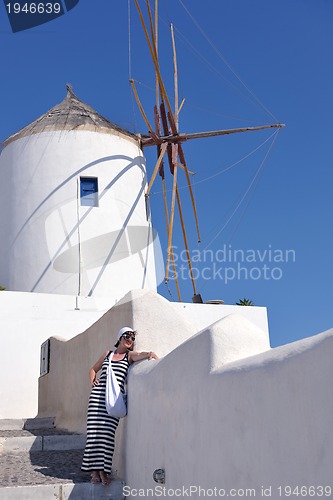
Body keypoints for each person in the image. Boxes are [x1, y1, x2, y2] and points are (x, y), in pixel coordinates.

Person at [81, 326, 158, 485]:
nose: (130, 340)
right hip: (97, 398)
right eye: (127, 336)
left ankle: (103, 471)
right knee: (94, 435)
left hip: (113, 401)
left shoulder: (129, 356)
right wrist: (93, 381)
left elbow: (139, 355)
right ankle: (95, 472)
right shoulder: (108, 354)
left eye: (132, 338)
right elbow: (93, 370)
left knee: (107, 436)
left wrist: (150, 354)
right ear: (120, 338)